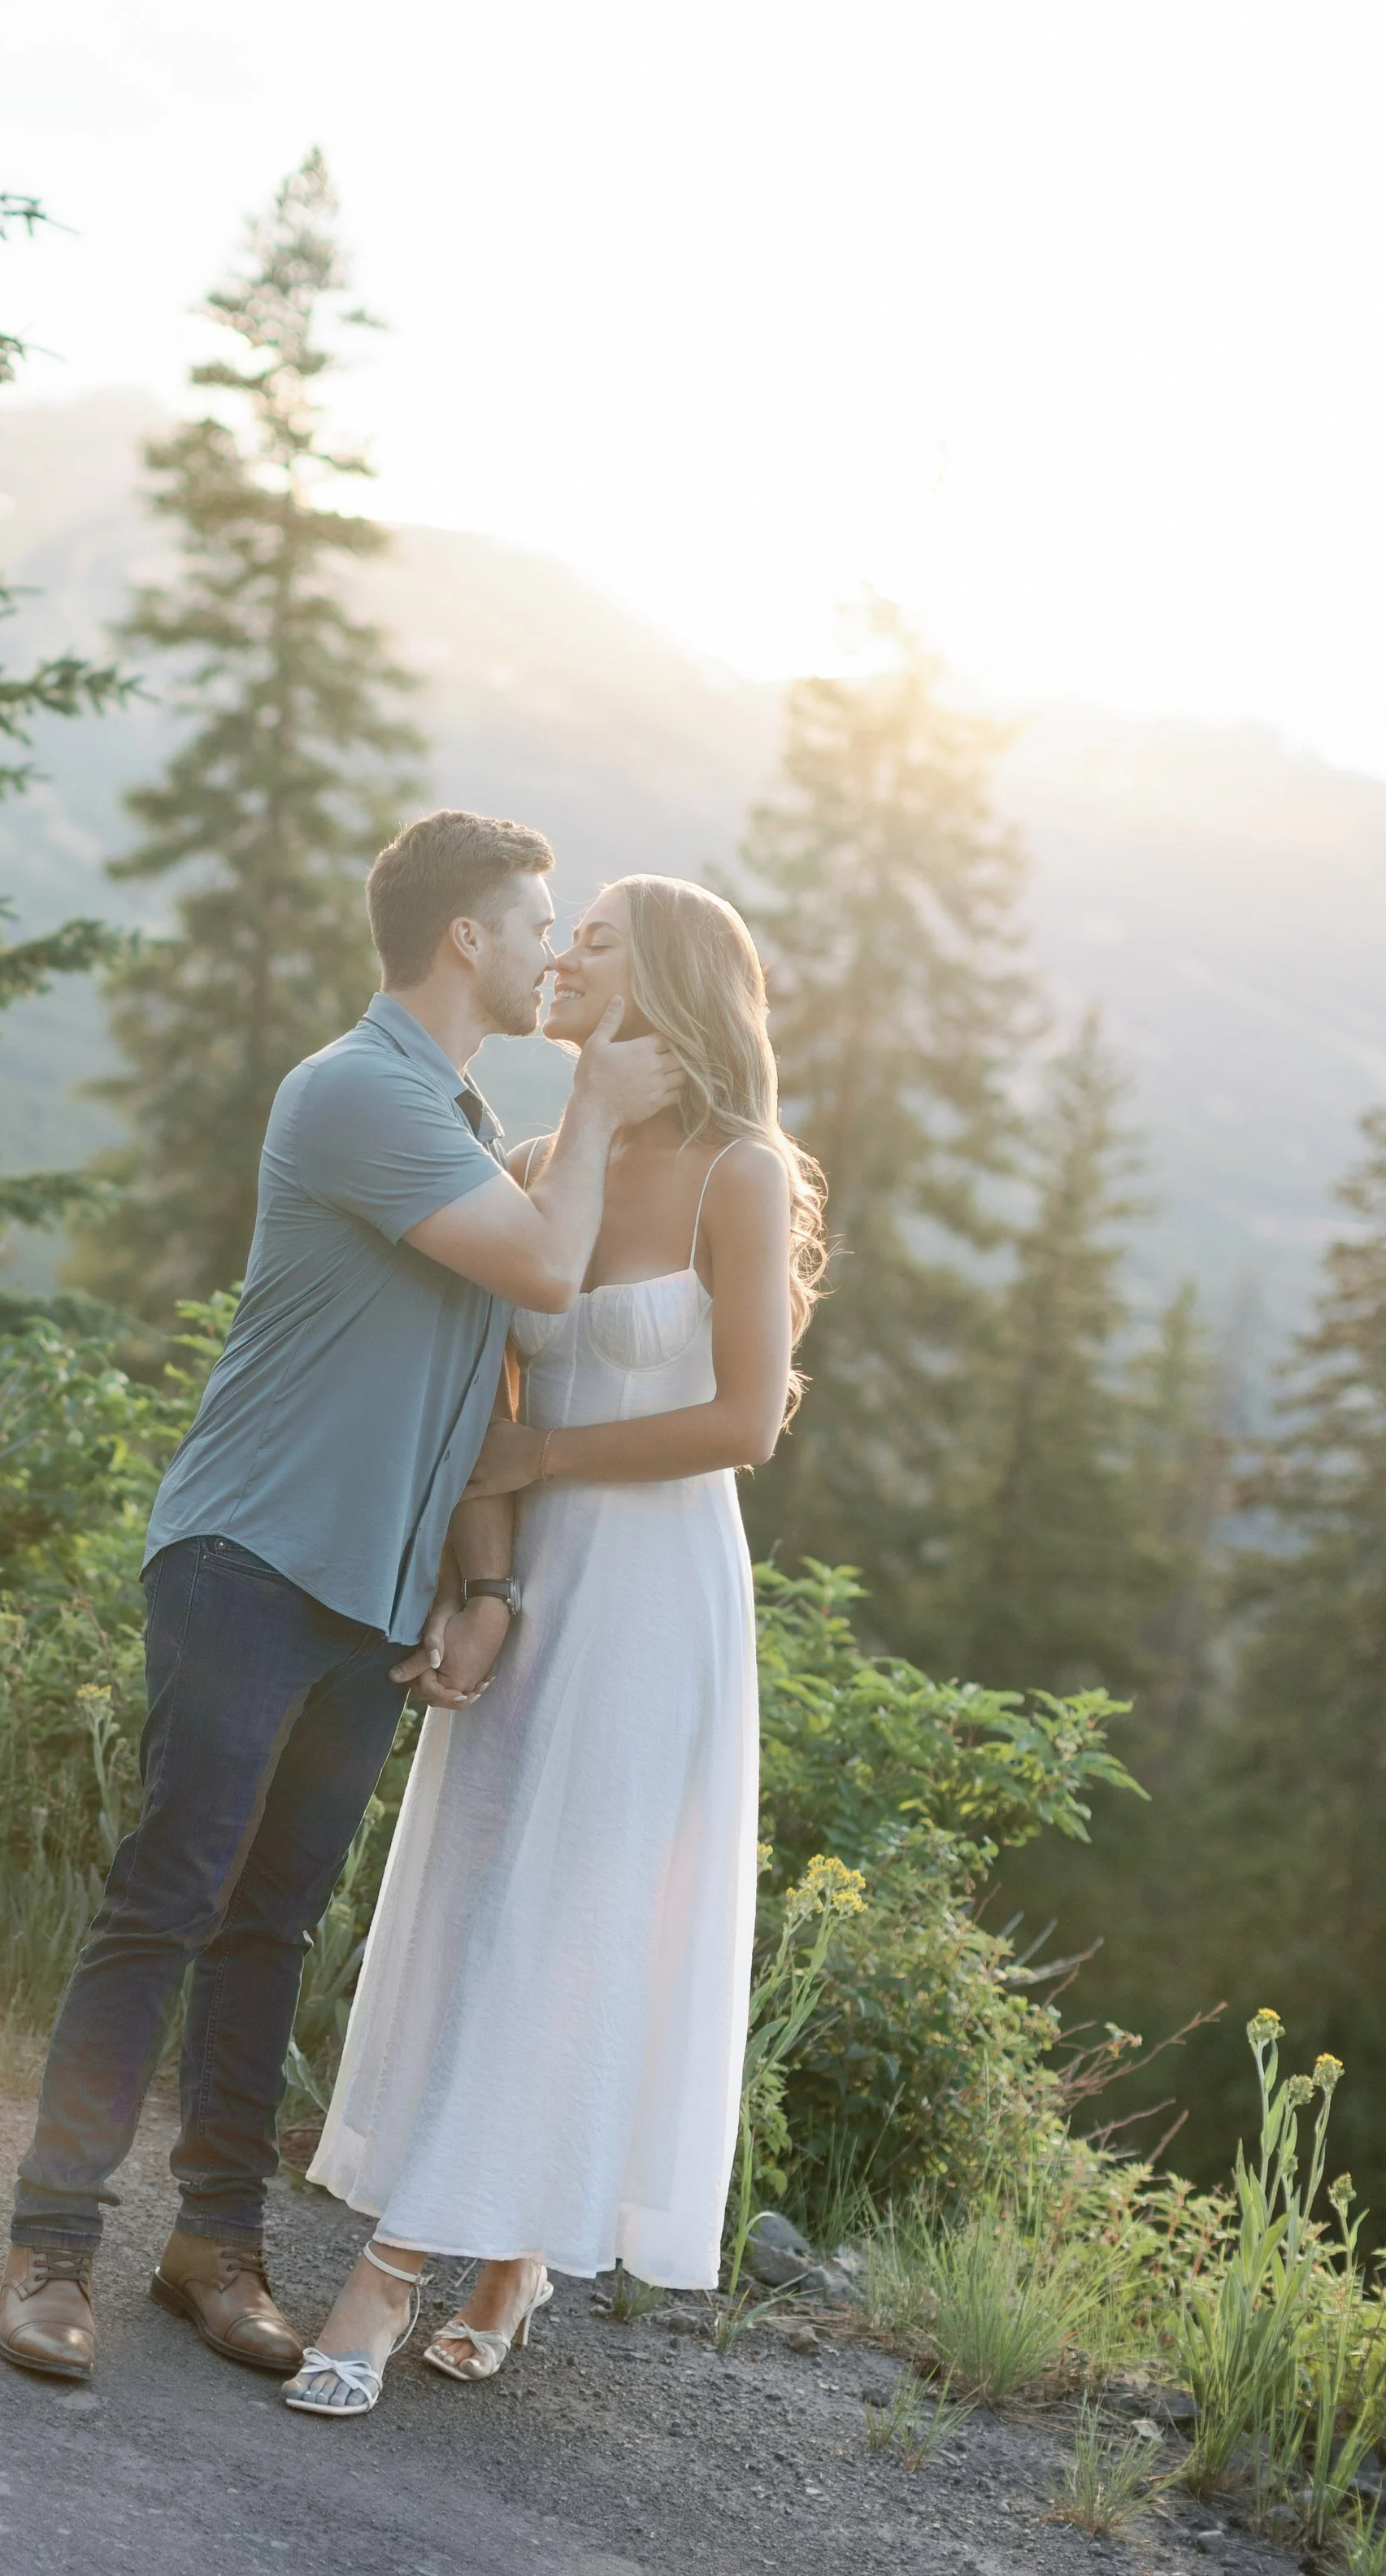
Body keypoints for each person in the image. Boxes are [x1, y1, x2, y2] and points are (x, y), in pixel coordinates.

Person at [0, 812, 684, 2382]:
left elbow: (472, 1390)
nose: (550, 949)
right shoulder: (360, 1093)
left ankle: (211, 2249)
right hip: (250, 1562)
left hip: (369, 1599)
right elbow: (544, 1273)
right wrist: (592, 1101)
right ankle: (50, 2249)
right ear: (467, 939)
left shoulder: (447, 1111)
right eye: (536, 924)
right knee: (169, 1903)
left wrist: (476, 1585)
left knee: (271, 1926)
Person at [286, 876, 827, 2417]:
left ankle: (395, 2274)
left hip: (657, 1588)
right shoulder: (540, 1161)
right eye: (562, 932)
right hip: (528, 1581)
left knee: (573, 1912)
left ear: (662, 979)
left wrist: (547, 1471)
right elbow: (493, 1406)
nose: (562, 955)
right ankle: (509, 2256)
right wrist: (486, 1576)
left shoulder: (738, 1167)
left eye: (592, 938)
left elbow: (745, 1422)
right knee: (490, 1890)